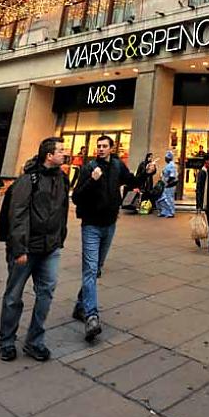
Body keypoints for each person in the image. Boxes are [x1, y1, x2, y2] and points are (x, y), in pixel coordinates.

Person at [0, 137, 69, 362]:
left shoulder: (62, 178)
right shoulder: (29, 179)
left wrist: (59, 238)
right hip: (26, 250)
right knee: (13, 296)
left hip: (50, 248)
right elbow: (17, 214)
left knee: (46, 294)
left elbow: (63, 210)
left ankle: (34, 341)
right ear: (49, 155)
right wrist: (19, 249)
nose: (65, 153)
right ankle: (7, 341)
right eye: (61, 150)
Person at [71, 134, 135, 341]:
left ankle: (81, 305)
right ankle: (92, 317)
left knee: (96, 267)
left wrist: (147, 172)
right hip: (91, 225)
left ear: (111, 148)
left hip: (110, 225)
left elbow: (132, 181)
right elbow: (76, 197)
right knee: (90, 269)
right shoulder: (89, 168)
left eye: (104, 146)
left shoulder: (117, 166)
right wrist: (92, 180)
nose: (100, 149)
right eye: (98, 146)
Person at [156, 150, 178, 217]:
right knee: (163, 198)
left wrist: (167, 183)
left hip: (169, 185)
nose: (165, 158)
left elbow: (172, 176)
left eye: (166, 157)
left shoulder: (171, 165)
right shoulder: (169, 165)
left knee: (168, 198)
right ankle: (164, 211)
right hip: (166, 184)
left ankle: (171, 212)